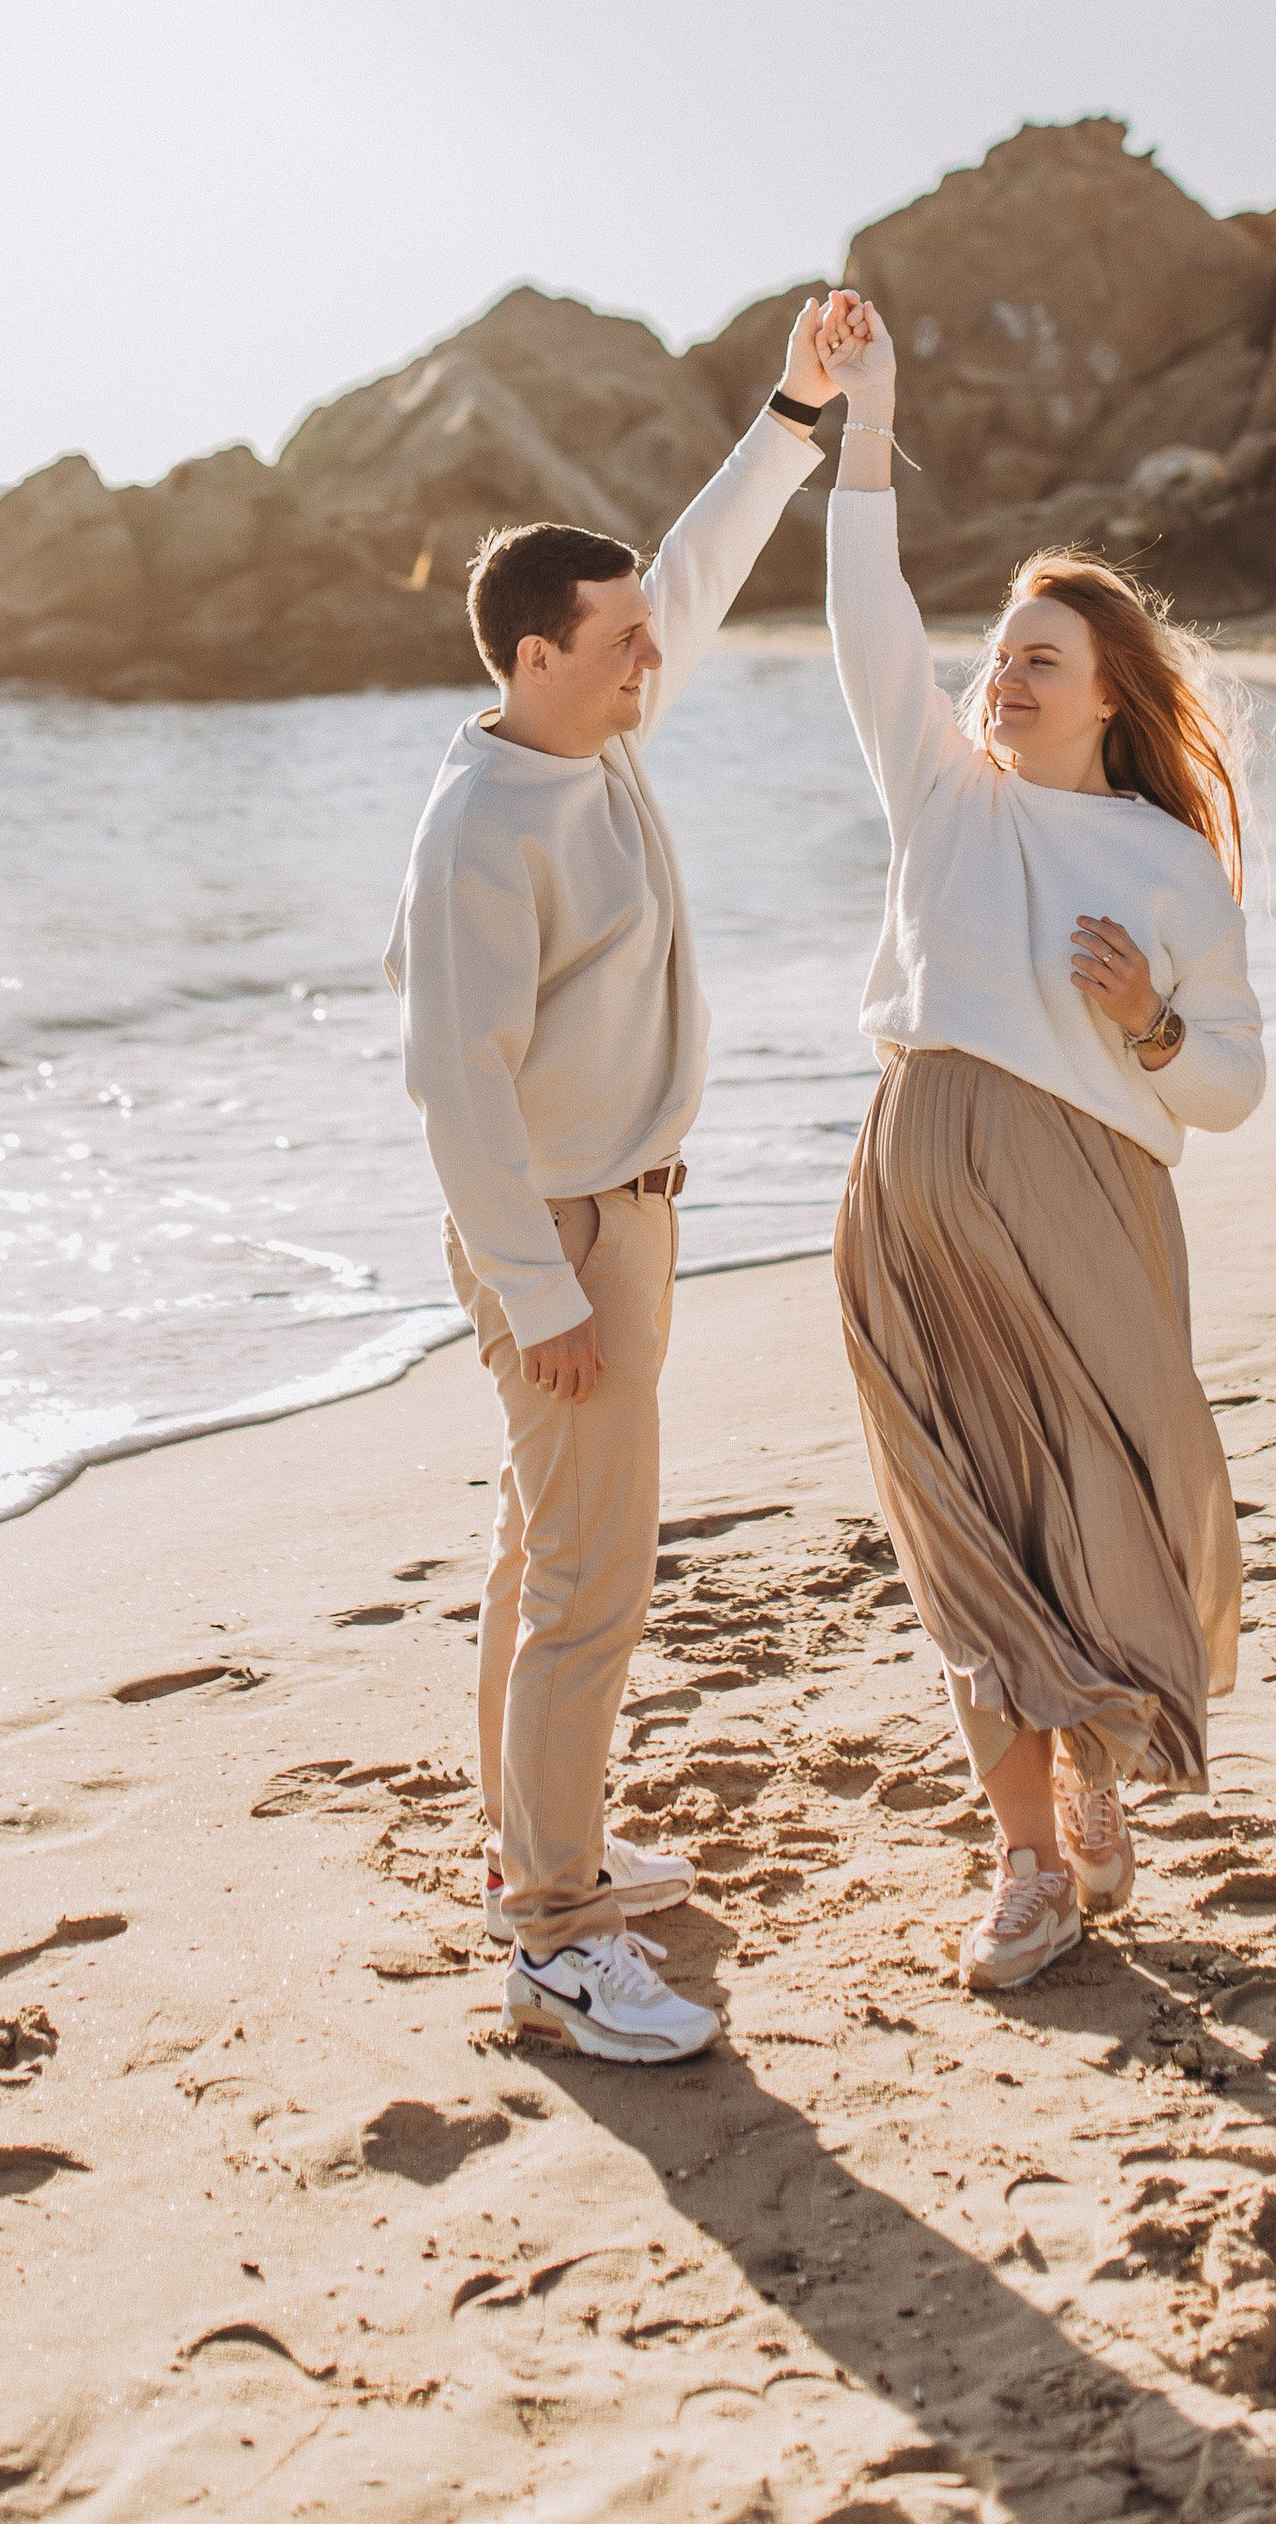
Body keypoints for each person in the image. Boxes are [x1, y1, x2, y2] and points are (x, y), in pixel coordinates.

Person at [386, 300, 854, 2061]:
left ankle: (537, 1850)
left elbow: (697, 564)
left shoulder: (593, 738)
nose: (656, 658)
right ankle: (556, 1934)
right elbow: (453, 1085)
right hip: (565, 1238)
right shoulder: (483, 830)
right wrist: (542, 1289)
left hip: (623, 1218)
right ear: (527, 659)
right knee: (595, 1583)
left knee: (543, 1553)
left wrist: (795, 411)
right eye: (621, 645)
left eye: (647, 643)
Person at [814, 295, 1264, 1992]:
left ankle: (1090, 1784)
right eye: (994, 653)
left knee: (1098, 1504)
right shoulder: (942, 789)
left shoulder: (1163, 864)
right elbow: (869, 618)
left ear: (1105, 697)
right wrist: (871, 419)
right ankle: (1023, 1863)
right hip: (916, 1198)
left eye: (1035, 660)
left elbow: (1226, 1085)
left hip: (1088, 1206)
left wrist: (1150, 1020)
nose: (998, 676)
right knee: (964, 1523)